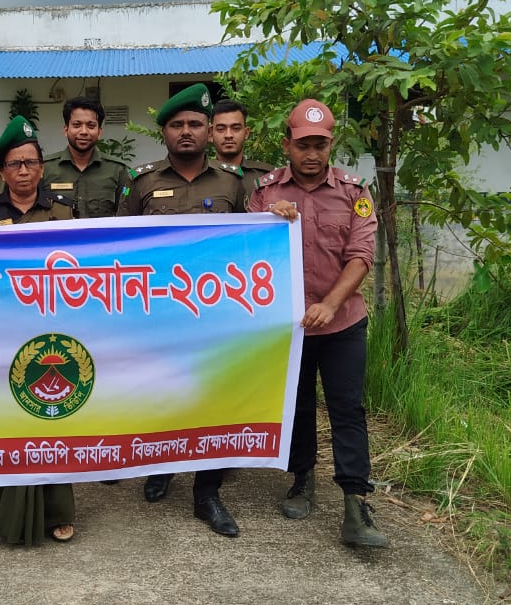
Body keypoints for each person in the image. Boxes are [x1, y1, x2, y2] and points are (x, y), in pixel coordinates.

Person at [249, 99, 388, 548]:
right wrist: (267, 221)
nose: (312, 154)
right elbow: (248, 250)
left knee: (347, 408)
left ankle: (355, 502)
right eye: (303, 145)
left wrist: (329, 304)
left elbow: (361, 256)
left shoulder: (354, 192)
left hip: (342, 322)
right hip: (289, 326)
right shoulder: (265, 193)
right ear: (286, 145)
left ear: (331, 145)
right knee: (298, 405)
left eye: (320, 146)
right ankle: (301, 478)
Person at [116, 83, 246, 537]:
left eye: (194, 124)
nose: (186, 131)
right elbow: (120, 246)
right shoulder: (141, 182)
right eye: (177, 125)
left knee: (213, 402)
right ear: (164, 132)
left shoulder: (232, 182)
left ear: (209, 130)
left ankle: (207, 494)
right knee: (161, 394)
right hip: (158, 316)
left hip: (216, 316)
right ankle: (161, 464)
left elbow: (252, 245)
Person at [0, 116, 76, 544]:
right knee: (13, 421)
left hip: (54, 329)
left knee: (54, 414)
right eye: (15, 164)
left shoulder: (63, 211)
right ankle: (15, 516)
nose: (24, 171)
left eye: (31, 162)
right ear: (2, 171)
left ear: (42, 167)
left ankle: (59, 510)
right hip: (5, 331)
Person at [41, 96, 131, 218]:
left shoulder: (118, 170)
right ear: (66, 129)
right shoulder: (45, 169)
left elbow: (126, 212)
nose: (84, 131)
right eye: (77, 125)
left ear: (99, 132)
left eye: (91, 126)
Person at [211, 98, 271, 190]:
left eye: (236, 128)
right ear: (210, 133)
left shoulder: (265, 176)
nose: (228, 135)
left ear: (246, 133)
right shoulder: (202, 177)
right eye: (221, 129)